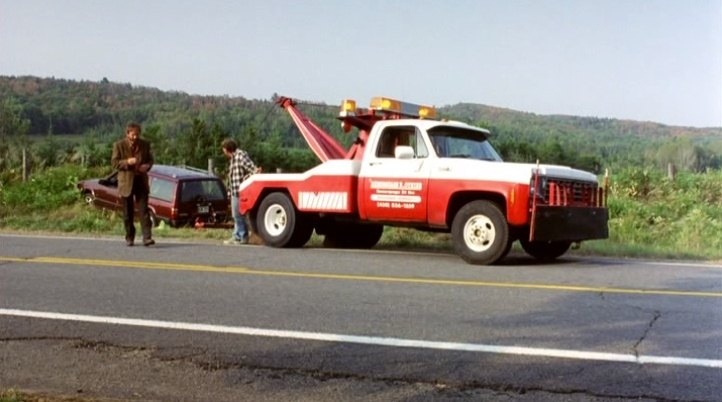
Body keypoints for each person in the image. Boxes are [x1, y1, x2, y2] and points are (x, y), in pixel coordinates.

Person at [111, 122, 155, 247]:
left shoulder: (145, 145)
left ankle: (147, 237)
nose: (136, 137)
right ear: (128, 133)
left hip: (141, 181)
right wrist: (127, 162)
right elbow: (114, 163)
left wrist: (147, 166)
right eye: (133, 135)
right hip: (126, 182)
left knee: (144, 211)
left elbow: (150, 160)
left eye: (138, 134)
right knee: (127, 212)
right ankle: (130, 236)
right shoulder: (119, 145)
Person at [222, 138, 257, 245]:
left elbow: (254, 170)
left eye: (224, 150)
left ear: (228, 149)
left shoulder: (240, 156)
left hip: (240, 191)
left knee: (238, 215)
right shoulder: (233, 158)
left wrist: (245, 180)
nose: (224, 152)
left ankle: (243, 236)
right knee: (235, 215)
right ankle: (236, 236)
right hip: (234, 191)